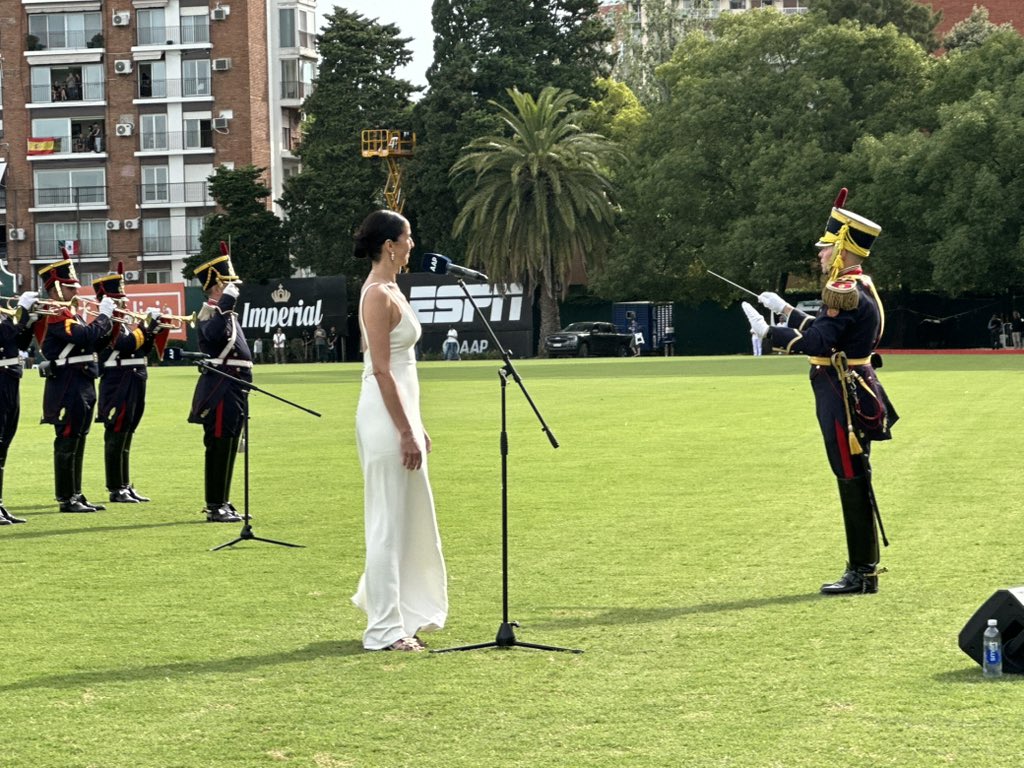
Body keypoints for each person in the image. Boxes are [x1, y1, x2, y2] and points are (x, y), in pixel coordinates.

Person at [742, 190, 897, 595]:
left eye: (827, 248)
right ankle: (862, 568)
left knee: (850, 473)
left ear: (843, 248)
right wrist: (788, 312)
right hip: (853, 385)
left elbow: (820, 343)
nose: (821, 255)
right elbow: (831, 329)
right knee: (853, 473)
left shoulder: (844, 288)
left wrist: (771, 333)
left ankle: (862, 572)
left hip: (840, 392)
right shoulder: (856, 285)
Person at [351, 209, 447, 652]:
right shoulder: (376, 295)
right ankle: (385, 628)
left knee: (409, 517)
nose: (413, 243)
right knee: (387, 521)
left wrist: (417, 425)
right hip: (384, 418)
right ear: (390, 244)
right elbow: (383, 372)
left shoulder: (393, 289)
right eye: (407, 237)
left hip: (402, 415)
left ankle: (405, 610)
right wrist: (405, 431)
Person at [37, 259, 115, 513]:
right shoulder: (55, 313)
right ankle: (65, 497)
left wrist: (108, 326)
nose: (76, 292)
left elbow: (92, 344)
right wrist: (103, 316)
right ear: (57, 288)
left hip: (83, 381)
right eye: (70, 287)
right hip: (68, 384)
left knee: (79, 438)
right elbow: (83, 337)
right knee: (68, 439)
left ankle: (76, 493)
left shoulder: (72, 314)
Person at [187, 249, 251, 523]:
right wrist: (225, 305)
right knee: (219, 446)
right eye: (227, 284)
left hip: (235, 387)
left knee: (230, 445)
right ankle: (215, 505)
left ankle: (223, 500)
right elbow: (213, 335)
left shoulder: (226, 314)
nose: (233, 289)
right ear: (215, 287)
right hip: (220, 389)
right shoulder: (209, 314)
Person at [92, 271, 162, 504]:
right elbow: (125, 344)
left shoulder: (120, 322)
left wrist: (151, 331)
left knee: (127, 433)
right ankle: (115, 487)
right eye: (119, 299)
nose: (125, 303)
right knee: (116, 434)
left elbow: (141, 349)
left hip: (133, 379)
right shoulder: (107, 323)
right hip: (117, 382)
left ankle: (124, 484)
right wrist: (145, 326)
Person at [0, 292, 41, 524]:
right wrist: (22, 312)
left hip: (9, 380)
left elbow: (18, 343)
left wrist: (29, 322)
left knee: (4, 443)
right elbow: (4, 334)